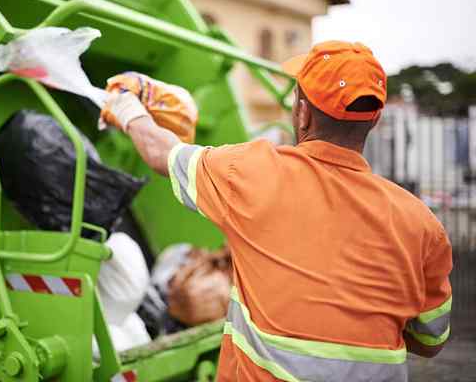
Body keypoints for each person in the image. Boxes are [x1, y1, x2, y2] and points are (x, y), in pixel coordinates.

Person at [100, 41, 453, 382]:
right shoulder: (421, 225)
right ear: (373, 120)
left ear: (302, 113)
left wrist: (129, 107)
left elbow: (163, 154)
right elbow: (430, 339)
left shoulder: (250, 172)